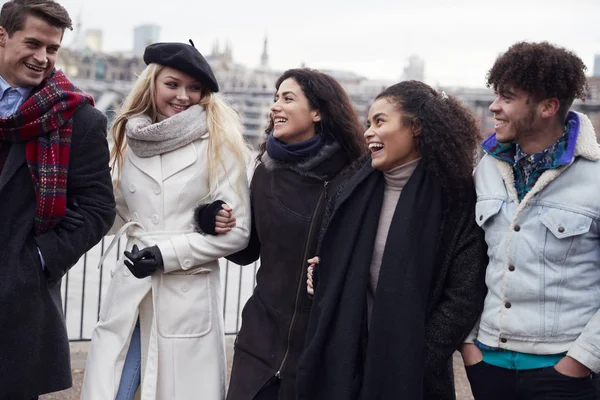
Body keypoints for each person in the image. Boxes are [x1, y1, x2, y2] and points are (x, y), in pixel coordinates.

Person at [81, 41, 251, 399]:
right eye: (172, 85)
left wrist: (165, 254)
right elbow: (118, 213)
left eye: (194, 88)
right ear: (152, 84)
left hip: (183, 291)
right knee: (110, 387)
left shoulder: (219, 141)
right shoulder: (129, 139)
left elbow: (238, 234)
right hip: (131, 284)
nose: (183, 96)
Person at [297, 80, 488, 400]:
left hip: (414, 377)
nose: (368, 131)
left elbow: (464, 296)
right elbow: (328, 256)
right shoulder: (350, 190)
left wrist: (416, 356)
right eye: (368, 122)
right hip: (345, 369)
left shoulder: (457, 199)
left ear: (415, 127)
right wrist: (320, 275)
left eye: (380, 121)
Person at [198, 68, 365, 400]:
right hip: (260, 340)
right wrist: (210, 219)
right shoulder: (265, 171)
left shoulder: (355, 177)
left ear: (318, 111)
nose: (275, 106)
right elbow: (247, 250)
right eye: (275, 98)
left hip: (321, 348)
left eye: (288, 98)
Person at [460, 41, 599, 400]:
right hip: (488, 366)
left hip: (565, 374)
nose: (493, 106)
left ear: (548, 107)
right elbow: (465, 261)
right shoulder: (486, 168)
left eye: (507, 97)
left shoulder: (596, 178)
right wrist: (469, 346)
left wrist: (581, 361)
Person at [0, 0, 116, 398]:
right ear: (1, 36)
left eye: (52, 49)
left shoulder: (79, 119)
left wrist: (34, 261)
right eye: (33, 43)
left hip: (15, 309)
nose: (42, 58)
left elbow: (99, 208)